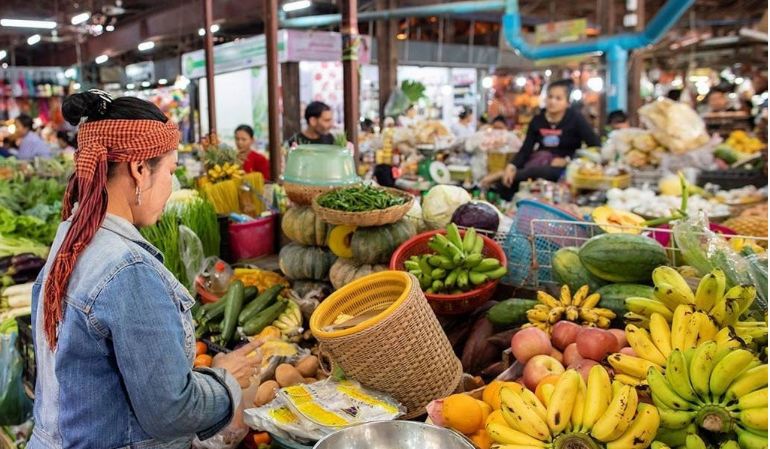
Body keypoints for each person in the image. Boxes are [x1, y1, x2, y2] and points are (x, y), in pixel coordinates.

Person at [29, 90, 262, 449]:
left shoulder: (71, 238)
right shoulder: (127, 270)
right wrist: (225, 378)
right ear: (139, 169)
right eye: (171, 170)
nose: (172, 186)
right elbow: (172, 413)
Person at [496, 79, 601, 200]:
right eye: (550, 97)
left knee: (540, 173)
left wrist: (568, 160)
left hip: (565, 169)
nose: (552, 101)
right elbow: (526, 149)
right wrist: (512, 166)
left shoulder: (576, 119)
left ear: (567, 102)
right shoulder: (537, 120)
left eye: (558, 98)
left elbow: (595, 146)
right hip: (538, 163)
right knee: (506, 182)